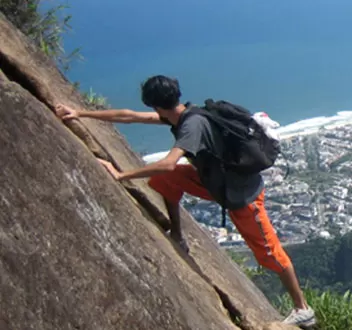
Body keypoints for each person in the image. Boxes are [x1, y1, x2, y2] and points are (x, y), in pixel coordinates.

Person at [55, 75, 316, 328]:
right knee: (167, 182)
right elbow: (130, 116)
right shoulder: (184, 114)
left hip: (242, 197)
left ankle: (302, 309)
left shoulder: (191, 126)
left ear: (155, 104)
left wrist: (121, 175)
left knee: (270, 253)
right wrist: (80, 114)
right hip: (216, 183)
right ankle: (178, 234)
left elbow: (169, 163)